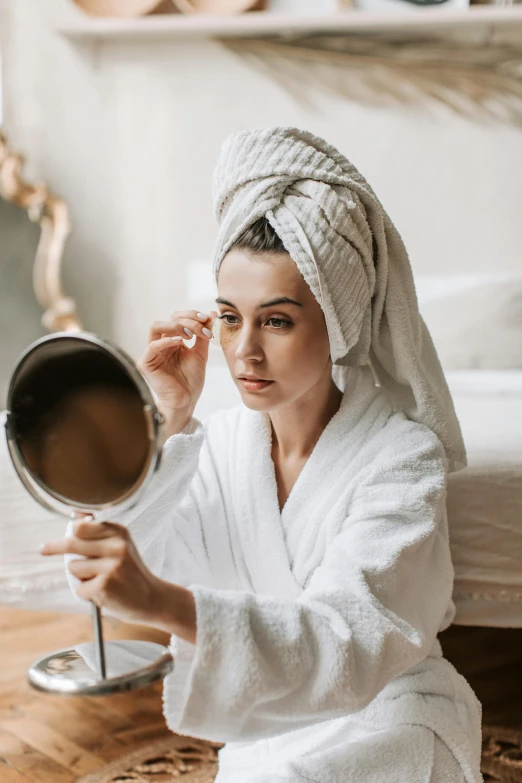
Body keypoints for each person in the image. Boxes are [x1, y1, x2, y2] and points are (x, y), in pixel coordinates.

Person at [42, 127, 483, 782]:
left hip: (389, 717)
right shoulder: (219, 443)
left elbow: (349, 640)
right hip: (270, 732)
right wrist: (164, 421)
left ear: (336, 321)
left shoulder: (401, 456)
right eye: (228, 316)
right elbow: (143, 555)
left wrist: (167, 604)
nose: (244, 349)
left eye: (276, 319)